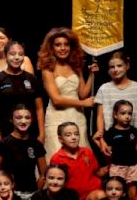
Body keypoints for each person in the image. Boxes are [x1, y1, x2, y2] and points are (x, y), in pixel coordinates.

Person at [38, 28, 95, 157]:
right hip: (57, 117)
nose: (63, 48)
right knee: (57, 155)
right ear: (51, 48)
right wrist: (83, 103)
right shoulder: (48, 69)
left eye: (66, 44)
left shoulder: (75, 66)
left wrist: (91, 75)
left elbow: (82, 94)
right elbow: (56, 100)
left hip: (77, 116)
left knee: (80, 156)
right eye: (58, 45)